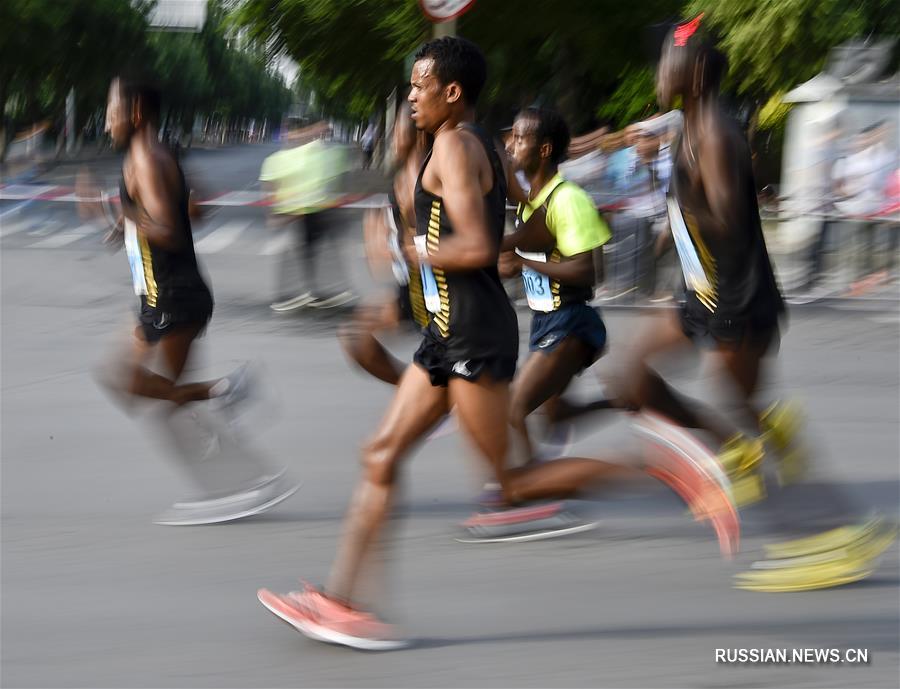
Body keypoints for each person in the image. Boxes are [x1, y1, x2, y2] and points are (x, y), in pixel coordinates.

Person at [258, 38, 737, 649]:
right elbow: (515, 205)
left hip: (471, 331)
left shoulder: (456, 145)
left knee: (511, 482)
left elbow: (481, 247)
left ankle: (665, 468)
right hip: (448, 330)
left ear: (451, 92)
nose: (410, 96)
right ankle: (344, 603)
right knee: (379, 457)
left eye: (418, 84)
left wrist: (413, 249)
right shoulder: (477, 140)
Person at [90, 77, 298, 525]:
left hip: (173, 296)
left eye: (112, 110)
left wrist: (125, 215)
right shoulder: (156, 154)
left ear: (137, 112)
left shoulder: (147, 158)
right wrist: (125, 226)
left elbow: (165, 227)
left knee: (158, 400)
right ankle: (230, 420)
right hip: (158, 295)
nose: (107, 120)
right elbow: (195, 212)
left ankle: (243, 477)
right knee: (128, 383)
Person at [498, 107, 614, 466]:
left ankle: (532, 488)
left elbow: (589, 271)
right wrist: (516, 269)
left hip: (571, 322)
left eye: (520, 138)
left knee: (512, 408)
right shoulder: (528, 202)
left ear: (544, 149)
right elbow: (541, 261)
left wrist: (523, 263)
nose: (512, 144)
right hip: (544, 320)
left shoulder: (569, 199)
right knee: (554, 416)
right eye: (511, 137)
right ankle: (629, 399)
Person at [338, 101, 431, 385]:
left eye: (397, 130)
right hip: (411, 288)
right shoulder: (402, 176)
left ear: (417, 134)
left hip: (434, 295)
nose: (392, 138)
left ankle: (420, 397)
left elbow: (433, 238)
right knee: (355, 337)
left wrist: (398, 244)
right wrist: (384, 238)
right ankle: (416, 394)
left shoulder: (424, 178)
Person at [260, 122, 355, 311]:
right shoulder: (280, 158)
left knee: (309, 251)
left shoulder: (309, 152)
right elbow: (270, 187)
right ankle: (296, 295)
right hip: (301, 211)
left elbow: (270, 185)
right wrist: (275, 211)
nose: (294, 136)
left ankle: (300, 294)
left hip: (313, 210)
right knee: (305, 252)